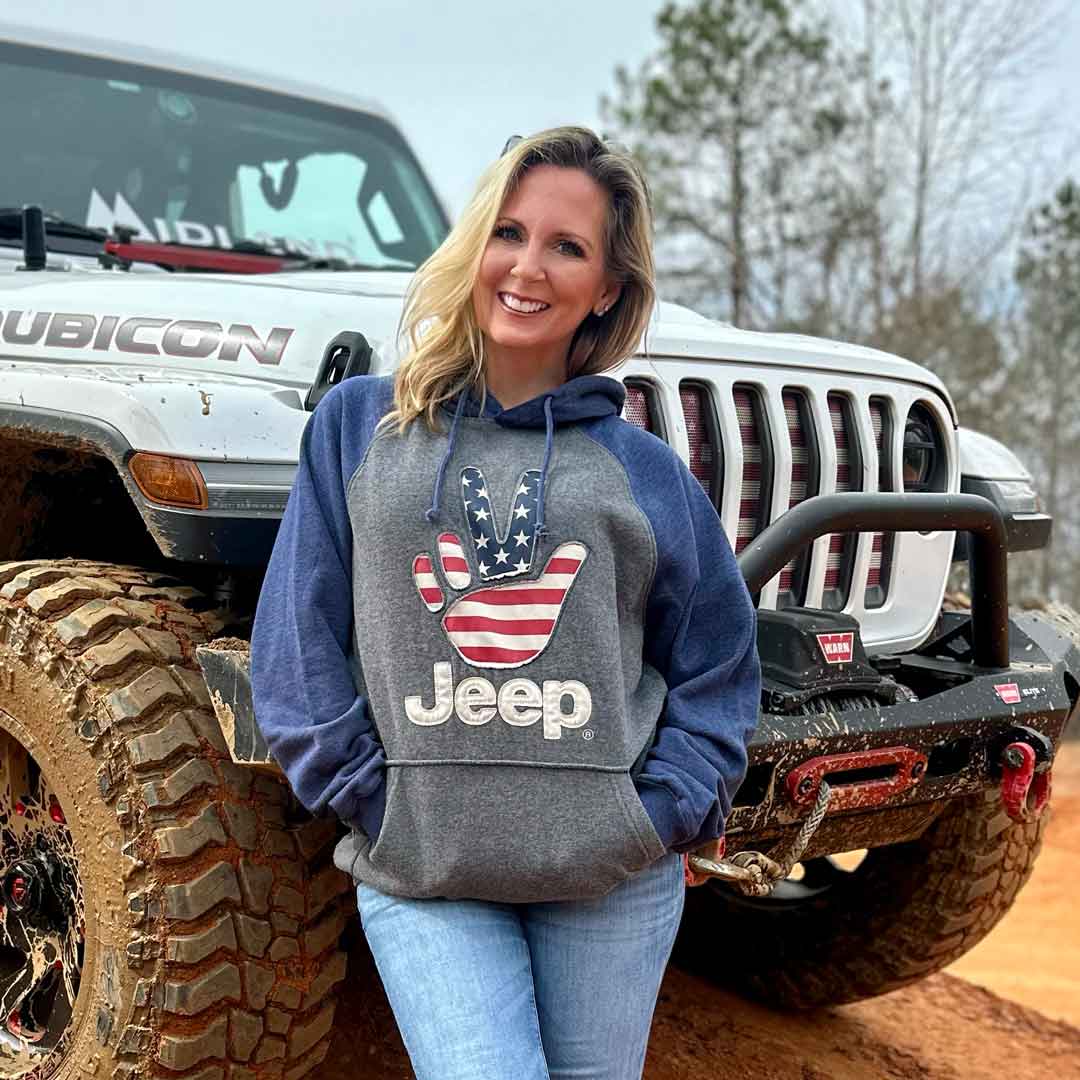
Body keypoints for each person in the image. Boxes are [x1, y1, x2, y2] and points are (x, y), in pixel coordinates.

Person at [250, 125, 761, 1080]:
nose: (528, 268)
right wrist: (372, 796)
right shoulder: (361, 426)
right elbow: (294, 639)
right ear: (475, 244)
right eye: (509, 233)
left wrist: (661, 812)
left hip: (611, 876)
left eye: (567, 247)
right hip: (428, 866)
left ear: (607, 287)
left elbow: (719, 661)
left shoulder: (641, 470)